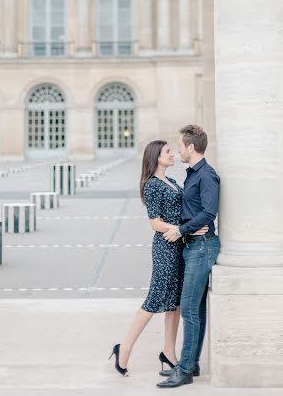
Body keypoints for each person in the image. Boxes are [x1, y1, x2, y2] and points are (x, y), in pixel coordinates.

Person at [109, 139, 208, 377]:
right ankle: (123, 349)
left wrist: (189, 228)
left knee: (174, 304)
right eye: (167, 151)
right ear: (156, 157)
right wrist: (182, 229)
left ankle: (168, 353)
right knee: (154, 301)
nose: (172, 154)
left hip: (180, 245)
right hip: (165, 247)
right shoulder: (153, 185)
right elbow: (154, 222)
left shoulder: (172, 181)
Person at [157, 125, 220, 389]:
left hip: (201, 247)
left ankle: (183, 370)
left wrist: (182, 229)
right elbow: (198, 212)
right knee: (197, 309)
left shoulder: (207, 175)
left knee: (189, 309)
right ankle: (191, 363)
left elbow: (208, 212)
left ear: (191, 147)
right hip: (194, 245)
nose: (179, 150)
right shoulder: (193, 174)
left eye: (181, 145)